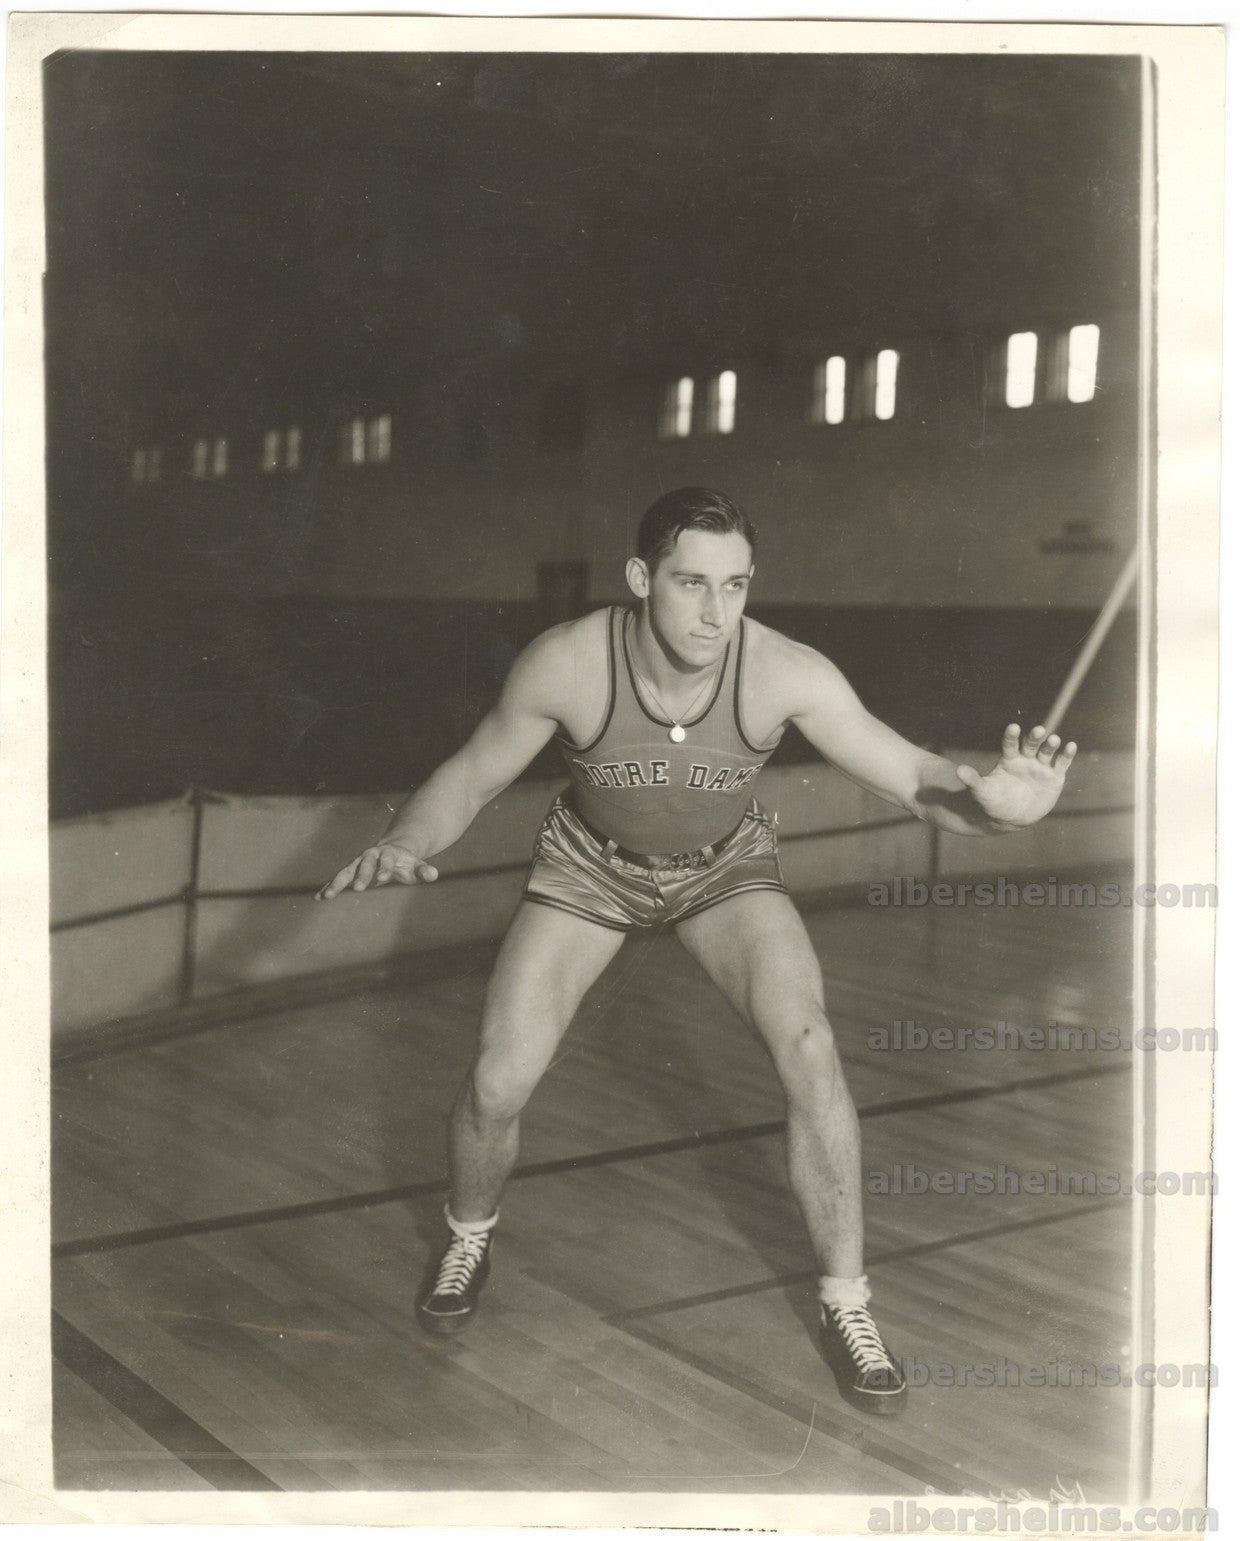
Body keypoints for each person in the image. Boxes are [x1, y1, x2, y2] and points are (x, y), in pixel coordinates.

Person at [317, 486, 1077, 1416]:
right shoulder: (567, 664)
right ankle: (468, 1234)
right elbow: (472, 774)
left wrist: (996, 812)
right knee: (497, 1080)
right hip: (590, 868)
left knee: (810, 1048)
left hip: (725, 870)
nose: (717, 613)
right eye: (691, 584)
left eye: (737, 585)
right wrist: (409, 840)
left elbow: (917, 781)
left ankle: (849, 1304)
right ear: (642, 579)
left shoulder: (784, 672)